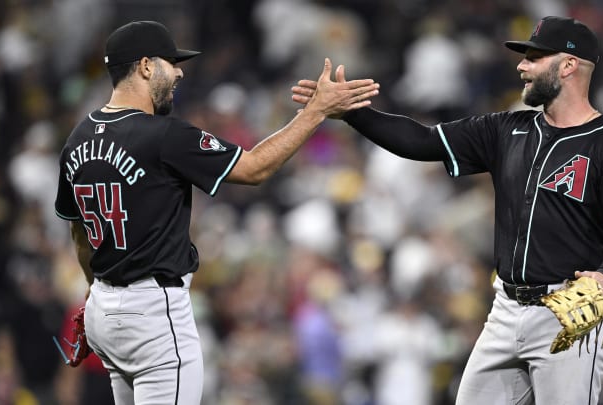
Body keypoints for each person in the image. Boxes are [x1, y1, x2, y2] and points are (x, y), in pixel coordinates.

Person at [292, 16, 603, 404]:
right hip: (505, 308)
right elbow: (421, 142)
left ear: (567, 65)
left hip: (569, 310)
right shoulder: (506, 130)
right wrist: (352, 113)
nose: (521, 66)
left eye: (534, 57)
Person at [54, 20, 379, 405]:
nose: (179, 71)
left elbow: (78, 232)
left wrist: (100, 292)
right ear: (144, 66)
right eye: (170, 62)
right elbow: (254, 168)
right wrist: (316, 111)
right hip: (152, 313)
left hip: (102, 310)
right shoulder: (163, 134)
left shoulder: (78, 137)